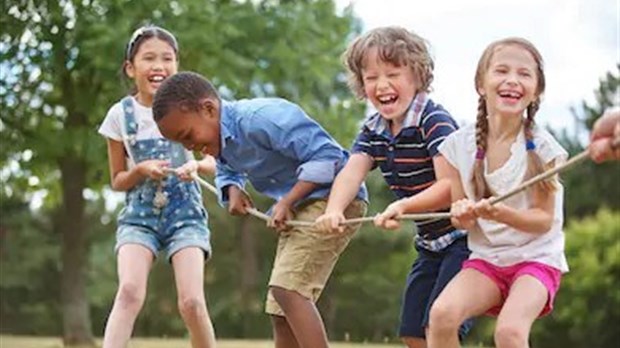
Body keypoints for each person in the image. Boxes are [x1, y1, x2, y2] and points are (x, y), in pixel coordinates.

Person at [152, 71, 368, 348]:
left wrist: (287, 201)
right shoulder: (222, 139)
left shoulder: (261, 118)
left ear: (208, 109)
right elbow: (227, 166)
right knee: (280, 308)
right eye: (182, 143)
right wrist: (232, 190)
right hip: (303, 206)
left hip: (335, 199)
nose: (190, 147)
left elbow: (329, 157)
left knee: (288, 291)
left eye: (188, 135)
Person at [314, 26, 472, 348]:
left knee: (441, 324)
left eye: (392, 74)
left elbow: (450, 188)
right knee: (413, 333)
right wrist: (333, 209)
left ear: (417, 75)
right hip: (430, 243)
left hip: (465, 240)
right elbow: (350, 173)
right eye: (371, 78)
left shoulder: (434, 120)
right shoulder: (374, 130)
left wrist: (402, 206)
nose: (382, 85)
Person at [428, 37, 569, 348]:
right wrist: (461, 214)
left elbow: (543, 220)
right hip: (488, 259)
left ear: (537, 90)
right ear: (481, 84)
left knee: (509, 332)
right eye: (501, 71)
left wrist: (500, 213)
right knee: (441, 315)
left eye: (524, 74)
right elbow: (462, 221)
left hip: (536, 260)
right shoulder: (456, 148)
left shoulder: (545, 150)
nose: (512, 80)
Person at [97, 26, 216, 348]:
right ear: (131, 68)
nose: (158, 66)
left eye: (167, 58)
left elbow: (213, 161)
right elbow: (118, 180)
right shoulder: (119, 116)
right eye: (149, 58)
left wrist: (197, 164)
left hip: (186, 214)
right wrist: (140, 169)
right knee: (129, 293)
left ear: (177, 65)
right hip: (140, 215)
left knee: (191, 303)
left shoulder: (194, 106)